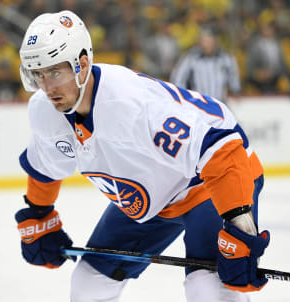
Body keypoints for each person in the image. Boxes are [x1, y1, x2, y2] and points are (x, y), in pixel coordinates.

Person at [15, 11, 270, 302]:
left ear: (82, 64)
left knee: (208, 290)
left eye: (55, 72)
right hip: (150, 197)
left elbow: (222, 149)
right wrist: (39, 214)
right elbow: (45, 166)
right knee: (90, 284)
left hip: (205, 186)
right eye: (38, 74)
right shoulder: (45, 110)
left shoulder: (130, 104)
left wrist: (241, 228)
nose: (47, 88)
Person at [169, 26, 241, 103]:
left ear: (215, 40)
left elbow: (234, 82)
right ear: (199, 41)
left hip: (220, 104)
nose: (206, 44)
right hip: (199, 106)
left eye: (209, 40)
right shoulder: (191, 58)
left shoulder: (226, 58)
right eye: (204, 40)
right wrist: (184, 98)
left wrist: (235, 91)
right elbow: (178, 79)